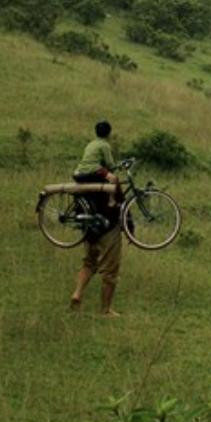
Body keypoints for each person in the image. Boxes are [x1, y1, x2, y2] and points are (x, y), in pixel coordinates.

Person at [69, 120, 123, 317]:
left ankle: (77, 293)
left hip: (90, 226)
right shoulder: (104, 155)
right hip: (109, 228)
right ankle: (106, 309)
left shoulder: (87, 184)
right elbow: (111, 168)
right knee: (110, 270)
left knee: (89, 262)